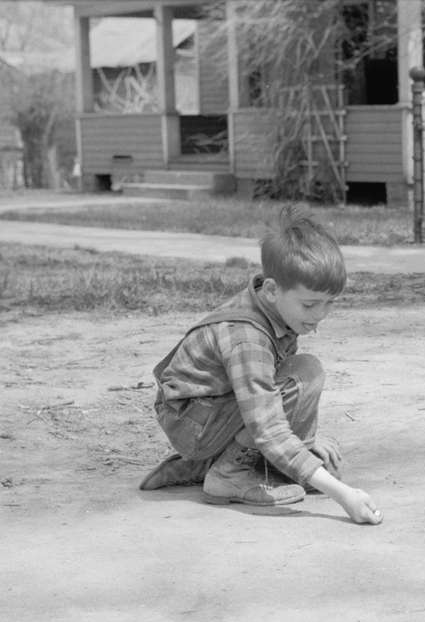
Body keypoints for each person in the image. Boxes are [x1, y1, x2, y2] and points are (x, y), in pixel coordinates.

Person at [137, 206, 382, 525]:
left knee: (303, 371)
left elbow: (269, 385)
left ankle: (216, 462)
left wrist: (306, 444)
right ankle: (229, 475)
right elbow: (265, 421)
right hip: (194, 423)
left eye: (329, 303)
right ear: (271, 290)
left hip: (211, 411)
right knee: (304, 373)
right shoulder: (247, 339)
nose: (320, 314)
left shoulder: (277, 307)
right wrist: (341, 493)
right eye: (310, 304)